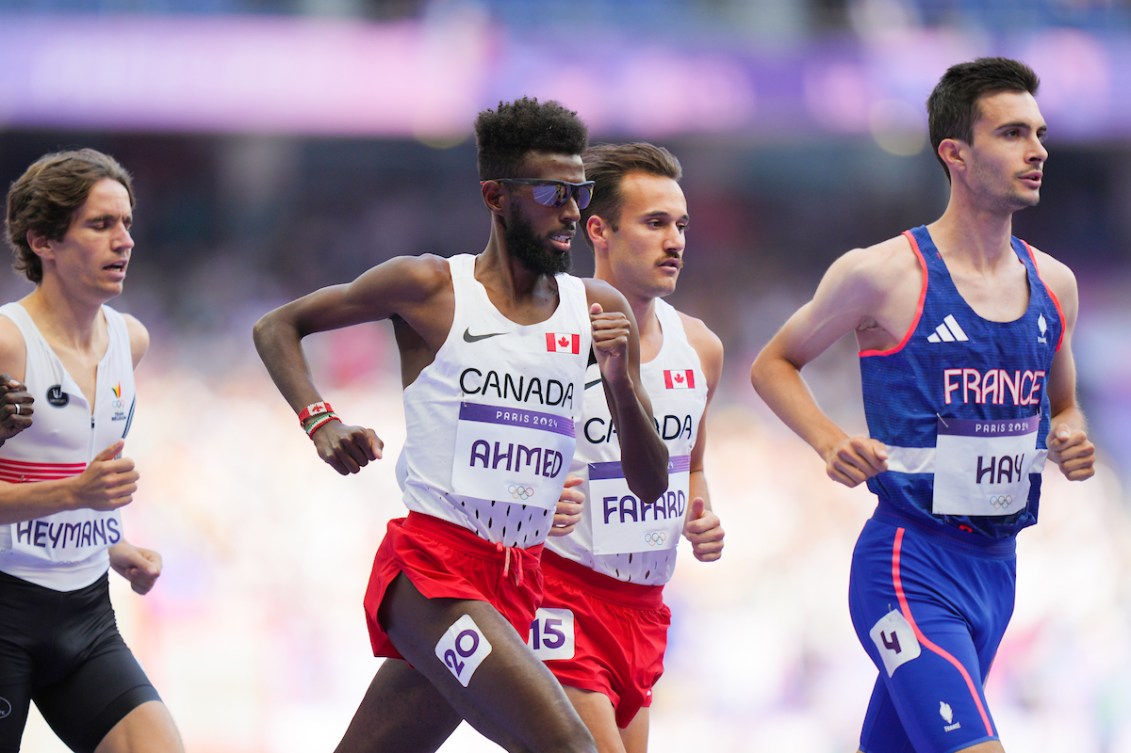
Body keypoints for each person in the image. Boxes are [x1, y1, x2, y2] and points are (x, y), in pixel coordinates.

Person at [252, 97, 669, 753]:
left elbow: (648, 484)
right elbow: (276, 325)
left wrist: (618, 379)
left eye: (579, 191)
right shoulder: (429, 287)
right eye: (549, 192)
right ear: (495, 196)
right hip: (432, 572)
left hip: (519, 581)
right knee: (572, 746)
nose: (571, 210)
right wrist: (320, 420)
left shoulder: (597, 309)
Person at [751, 57, 1096, 753]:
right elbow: (772, 363)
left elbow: (1065, 405)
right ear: (955, 154)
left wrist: (1070, 434)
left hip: (998, 573)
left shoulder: (1053, 284)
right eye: (1011, 133)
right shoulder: (880, 274)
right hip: (907, 567)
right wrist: (826, 440)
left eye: (1039, 132)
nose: (1037, 150)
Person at [532, 142, 724, 753]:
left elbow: (690, 465)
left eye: (682, 225)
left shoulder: (700, 348)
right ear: (599, 230)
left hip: (642, 608)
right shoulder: (543, 332)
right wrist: (537, 496)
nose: (676, 241)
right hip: (558, 594)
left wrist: (703, 514)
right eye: (655, 222)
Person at [0, 149, 184, 753]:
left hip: (85, 615)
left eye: (127, 223)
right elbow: (73, 485)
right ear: (44, 242)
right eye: (100, 224)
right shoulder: (6, 342)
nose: (124, 240)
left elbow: (75, 470)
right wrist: (76, 495)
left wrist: (114, 543)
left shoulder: (130, 341)